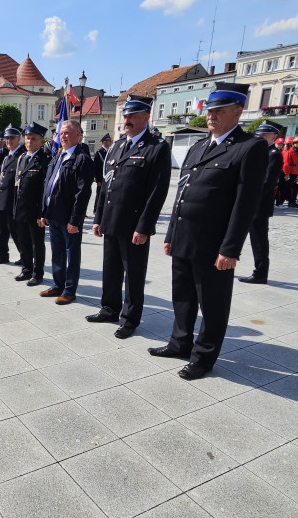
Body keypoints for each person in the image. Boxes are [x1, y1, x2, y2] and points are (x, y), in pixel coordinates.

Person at [149, 82, 267, 380]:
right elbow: (181, 195)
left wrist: (230, 249)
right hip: (184, 238)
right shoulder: (199, 146)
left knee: (213, 304)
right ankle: (180, 343)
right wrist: (170, 234)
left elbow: (245, 204)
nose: (211, 116)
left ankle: (204, 357)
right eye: (209, 111)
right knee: (183, 297)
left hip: (214, 244)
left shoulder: (249, 147)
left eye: (219, 111)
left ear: (238, 111)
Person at [88, 96, 172, 337]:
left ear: (146, 117)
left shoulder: (157, 147)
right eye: (125, 116)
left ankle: (130, 318)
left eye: (133, 116)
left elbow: (158, 192)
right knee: (110, 269)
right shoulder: (116, 146)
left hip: (134, 223)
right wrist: (98, 217)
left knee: (134, 274)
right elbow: (106, 186)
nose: (127, 120)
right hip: (112, 219)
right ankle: (109, 308)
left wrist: (144, 226)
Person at [38, 120, 93, 305]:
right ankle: (57, 285)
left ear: (79, 136)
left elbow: (83, 192)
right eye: (61, 133)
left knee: (72, 254)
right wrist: (44, 212)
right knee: (57, 253)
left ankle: (69, 290)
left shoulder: (82, 159)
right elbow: (49, 186)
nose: (63, 136)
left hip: (69, 218)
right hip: (54, 216)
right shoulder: (58, 156)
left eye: (68, 133)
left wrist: (75, 220)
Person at [238, 122, 284, 285]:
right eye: (259, 135)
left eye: (265, 135)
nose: (261, 138)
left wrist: (249, 199)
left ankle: (260, 273)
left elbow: (267, 183)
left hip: (259, 205)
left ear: (274, 137)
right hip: (249, 202)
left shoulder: (274, 154)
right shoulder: (259, 152)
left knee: (259, 240)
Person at [12, 122, 51, 285]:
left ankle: (38, 273)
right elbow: (17, 185)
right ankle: (26, 269)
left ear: (41, 141)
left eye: (33, 139)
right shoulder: (22, 158)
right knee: (24, 241)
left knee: (37, 244)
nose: (29, 142)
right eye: (27, 138)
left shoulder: (45, 160)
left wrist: (43, 213)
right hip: (21, 209)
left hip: (35, 211)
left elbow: (45, 189)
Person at [0, 126, 22, 265]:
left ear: (18, 138)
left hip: (13, 201)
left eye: (11, 138)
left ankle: (25, 256)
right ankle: (2, 254)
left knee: (17, 233)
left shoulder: (22, 155)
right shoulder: (8, 155)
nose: (8, 140)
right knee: (1, 231)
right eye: (6, 138)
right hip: (2, 199)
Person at [91, 133, 111, 214]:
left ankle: (103, 209)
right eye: (109, 141)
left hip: (108, 177)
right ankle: (96, 210)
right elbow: (96, 168)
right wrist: (97, 180)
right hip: (101, 178)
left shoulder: (110, 151)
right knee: (99, 195)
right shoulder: (99, 152)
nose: (111, 142)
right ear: (104, 142)